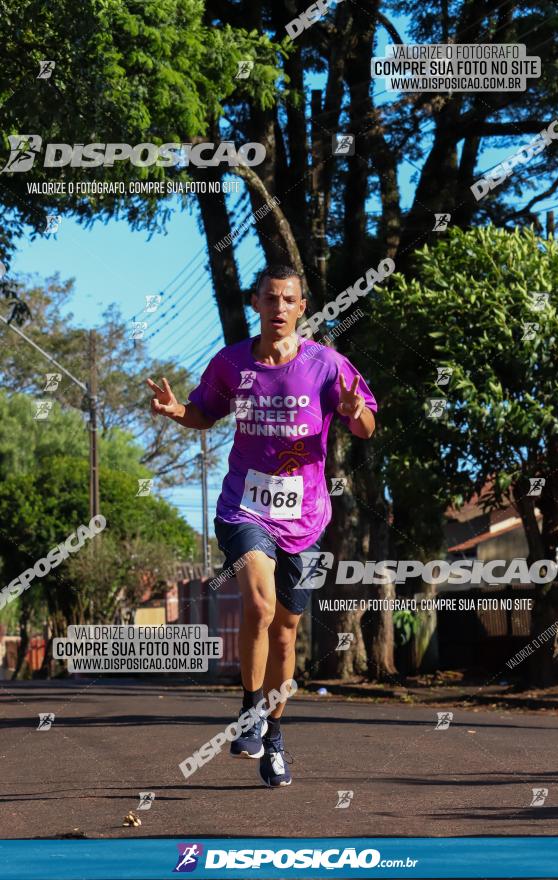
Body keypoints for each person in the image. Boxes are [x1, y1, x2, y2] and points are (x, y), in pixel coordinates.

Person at [147, 264, 377, 787]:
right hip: (244, 507)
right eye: (270, 298)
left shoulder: (327, 365)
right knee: (259, 603)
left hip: (305, 515)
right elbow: (203, 413)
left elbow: (365, 426)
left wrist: (353, 408)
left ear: (302, 307)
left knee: (286, 634)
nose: (278, 308)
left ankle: (274, 737)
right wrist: (175, 410)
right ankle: (249, 711)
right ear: (257, 303)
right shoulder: (231, 363)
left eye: (288, 300)